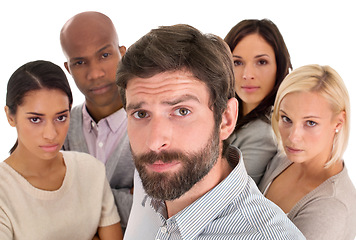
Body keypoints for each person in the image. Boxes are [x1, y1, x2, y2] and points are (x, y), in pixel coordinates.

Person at [120, 24, 305, 239]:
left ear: (226, 119)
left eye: (181, 111)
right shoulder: (155, 175)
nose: (154, 142)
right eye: (141, 114)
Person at [0, 60, 123, 239]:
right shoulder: (3, 190)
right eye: (35, 119)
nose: (51, 134)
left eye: (61, 117)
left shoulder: (91, 170)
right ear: (10, 117)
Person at [259, 64, 356, 240]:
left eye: (310, 123)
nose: (293, 137)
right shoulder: (284, 158)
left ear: (339, 122)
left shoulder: (332, 207)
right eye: (286, 118)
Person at [60, 11, 135, 230]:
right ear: (68, 69)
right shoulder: (58, 127)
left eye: (104, 55)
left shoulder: (154, 123)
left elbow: (158, 211)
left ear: (123, 53)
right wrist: (125, 195)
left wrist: (78, 194)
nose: (95, 73)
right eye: (80, 62)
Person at [224, 19, 292, 184]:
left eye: (261, 62)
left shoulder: (264, 132)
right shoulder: (229, 112)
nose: (248, 74)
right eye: (237, 62)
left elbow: (228, 196)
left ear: (279, 65)